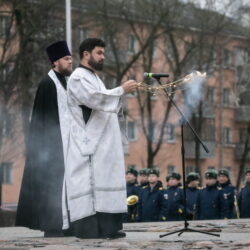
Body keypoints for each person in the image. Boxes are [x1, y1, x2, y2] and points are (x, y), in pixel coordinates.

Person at [64, 38, 137, 239]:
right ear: (86, 54)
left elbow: (104, 100)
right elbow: (94, 99)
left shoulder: (94, 77)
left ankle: (109, 227)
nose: (103, 57)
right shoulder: (78, 77)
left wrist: (118, 101)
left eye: (103, 53)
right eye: (99, 53)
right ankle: (91, 230)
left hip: (103, 145)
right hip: (89, 144)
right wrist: (121, 90)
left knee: (107, 182)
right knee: (92, 186)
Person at [15, 41, 73, 237]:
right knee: (52, 187)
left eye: (71, 57)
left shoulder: (65, 82)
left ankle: (66, 224)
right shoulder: (47, 84)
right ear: (55, 62)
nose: (70, 61)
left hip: (67, 146)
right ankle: (53, 226)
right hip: (53, 148)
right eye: (66, 58)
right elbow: (42, 120)